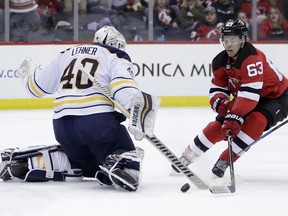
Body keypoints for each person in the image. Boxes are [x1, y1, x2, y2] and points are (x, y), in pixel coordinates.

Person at [0, 26, 160, 192]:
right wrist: (138, 111)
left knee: (85, 163)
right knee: (127, 153)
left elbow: (37, 87)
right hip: (97, 124)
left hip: (63, 127)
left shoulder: (66, 53)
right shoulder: (115, 55)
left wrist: (29, 74)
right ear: (115, 44)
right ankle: (122, 165)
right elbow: (123, 87)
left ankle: (32, 162)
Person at [173, 19, 288, 178]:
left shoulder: (251, 59)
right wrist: (221, 103)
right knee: (219, 125)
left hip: (276, 97)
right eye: (226, 40)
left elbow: (250, 95)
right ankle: (187, 157)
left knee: (256, 121)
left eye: (233, 39)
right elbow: (217, 89)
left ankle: (225, 161)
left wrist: (235, 115)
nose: (228, 44)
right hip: (247, 97)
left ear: (242, 40)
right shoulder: (220, 62)